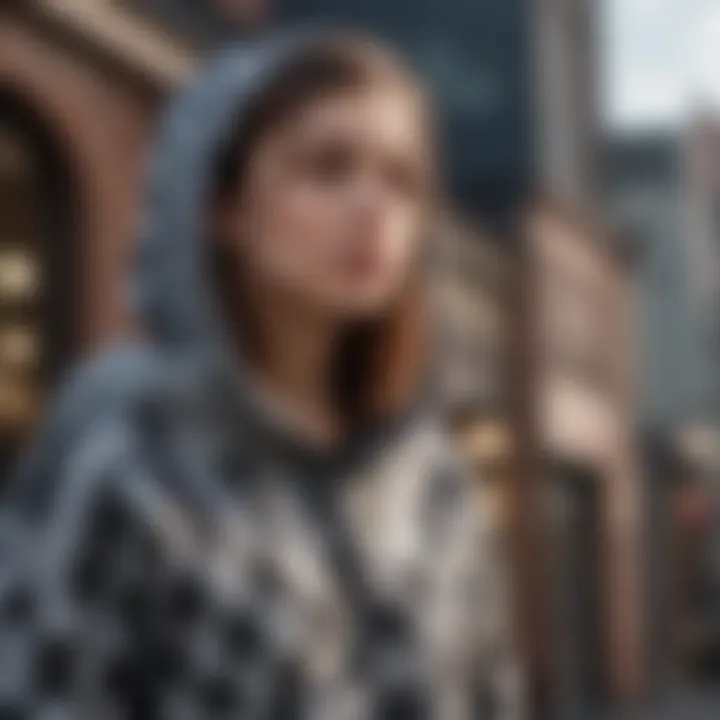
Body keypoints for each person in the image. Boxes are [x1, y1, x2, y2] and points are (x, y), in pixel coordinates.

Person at [0, 30, 522, 719]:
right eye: (328, 168)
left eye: (402, 180)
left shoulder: (433, 483)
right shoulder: (127, 456)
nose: (374, 210)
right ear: (224, 206)